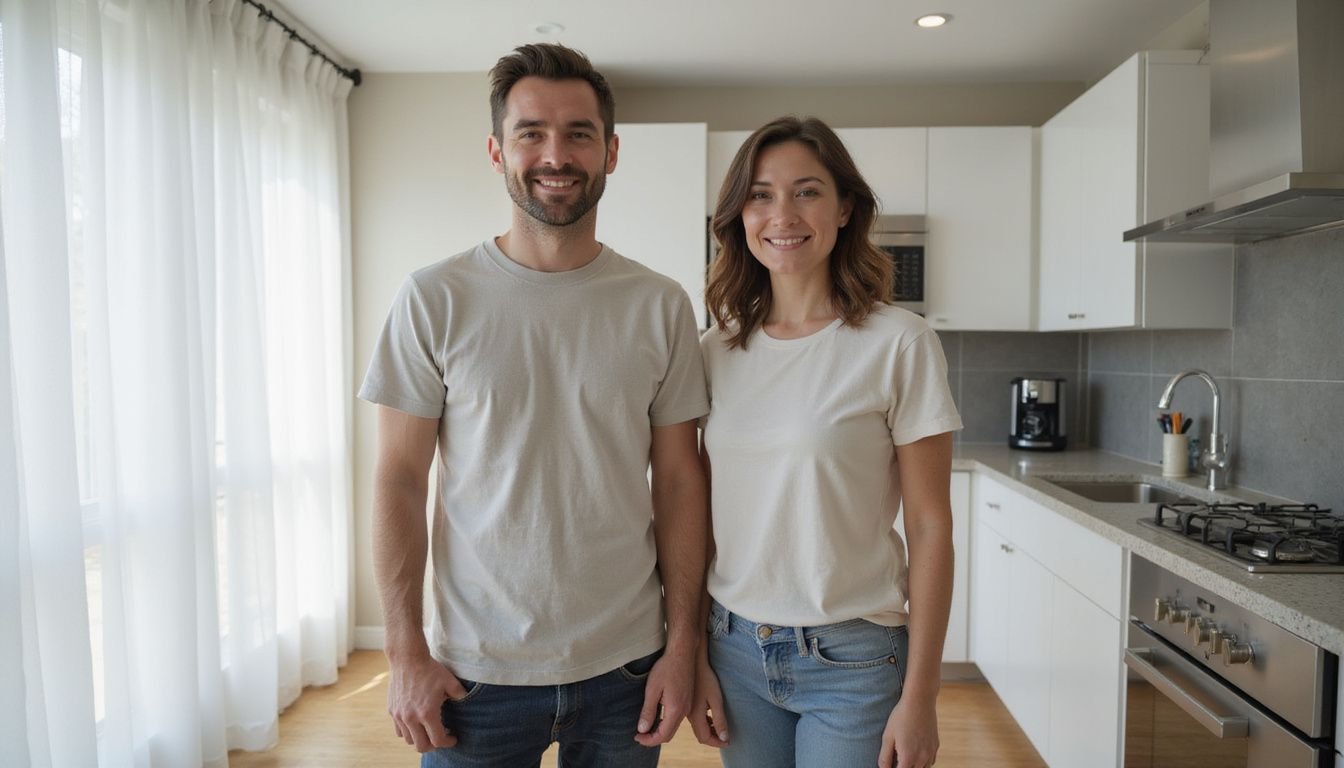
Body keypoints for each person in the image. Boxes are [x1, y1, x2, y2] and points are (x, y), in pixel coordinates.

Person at [359, 43, 708, 767]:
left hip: (627, 668)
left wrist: (685, 645)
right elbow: (398, 478)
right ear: (497, 151)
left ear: (611, 151)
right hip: (474, 674)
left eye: (580, 133)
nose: (557, 154)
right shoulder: (435, 298)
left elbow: (679, 482)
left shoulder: (659, 304)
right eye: (532, 133)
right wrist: (404, 652)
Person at [687, 116, 962, 768]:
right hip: (733, 647)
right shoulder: (712, 351)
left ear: (845, 208)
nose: (783, 213)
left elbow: (930, 527)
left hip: (855, 656)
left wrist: (921, 694)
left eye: (806, 191)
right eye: (760, 194)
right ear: (738, 216)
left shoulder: (900, 343)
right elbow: (694, 517)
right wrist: (693, 652)